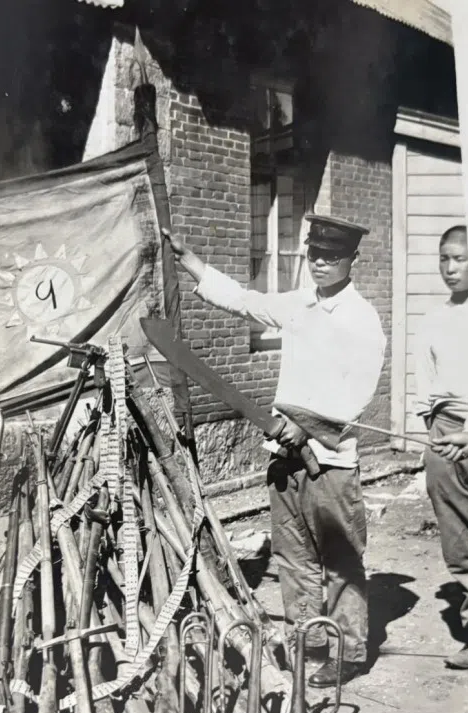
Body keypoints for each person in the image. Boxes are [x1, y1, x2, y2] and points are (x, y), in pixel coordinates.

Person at [163, 215, 386, 687]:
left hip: (330, 461)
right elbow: (246, 302)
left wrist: (305, 428)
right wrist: (191, 262)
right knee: (293, 558)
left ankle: (348, 651)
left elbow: (358, 392)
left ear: (352, 261)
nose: (321, 264)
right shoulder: (298, 304)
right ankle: (310, 645)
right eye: (315, 254)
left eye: (332, 257)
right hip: (285, 458)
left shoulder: (360, 318)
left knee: (340, 558)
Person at [414, 224, 468, 669]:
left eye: (460, 257)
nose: (451, 268)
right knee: (461, 543)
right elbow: (425, 377)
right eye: (444, 258)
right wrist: (432, 426)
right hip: (445, 434)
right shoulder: (435, 318)